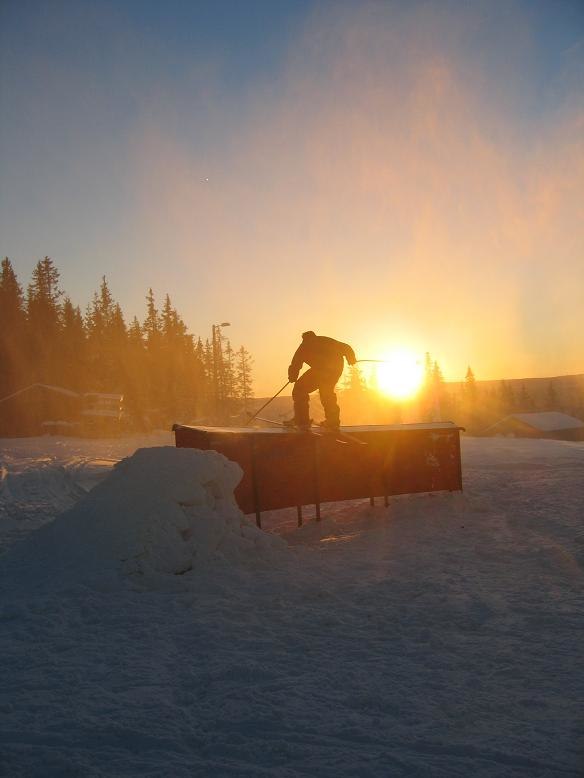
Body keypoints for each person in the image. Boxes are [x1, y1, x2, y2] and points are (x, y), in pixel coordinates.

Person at [284, 331, 356, 432]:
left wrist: (292, 376)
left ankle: (302, 420)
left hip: (323, 370)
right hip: (333, 370)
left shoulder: (304, 346)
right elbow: (346, 347)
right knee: (326, 392)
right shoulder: (325, 340)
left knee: (300, 389)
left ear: (304, 338)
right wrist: (351, 358)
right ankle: (332, 421)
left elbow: (296, 363)